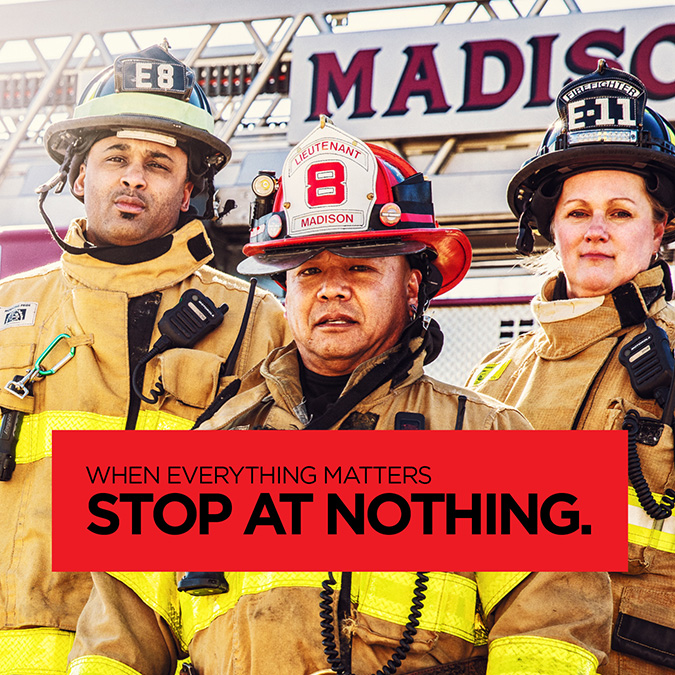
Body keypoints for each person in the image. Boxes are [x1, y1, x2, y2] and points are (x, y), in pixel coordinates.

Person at [68, 119, 612, 675]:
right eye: (309, 271)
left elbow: (553, 633)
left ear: (412, 285)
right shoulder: (202, 449)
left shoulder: (499, 441)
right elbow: (116, 643)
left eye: (360, 267)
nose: (331, 287)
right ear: (285, 290)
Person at [0, 43, 290, 673]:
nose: (133, 177)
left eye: (158, 164)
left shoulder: (257, 324)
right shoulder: (5, 313)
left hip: (172, 652)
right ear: (80, 179)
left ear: (190, 192)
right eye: (115, 158)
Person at [467, 61, 675, 674]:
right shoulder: (493, 378)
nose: (596, 231)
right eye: (578, 212)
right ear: (550, 225)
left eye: (621, 212)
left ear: (661, 228)